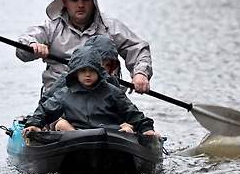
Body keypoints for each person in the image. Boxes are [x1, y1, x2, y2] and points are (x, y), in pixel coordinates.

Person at [16, 0, 152, 94]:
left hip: (104, 97)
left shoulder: (111, 27)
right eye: (74, 0)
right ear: (64, 2)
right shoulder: (50, 28)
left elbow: (138, 48)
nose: (80, 5)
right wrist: (33, 45)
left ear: (93, 1)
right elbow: (23, 48)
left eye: (85, 0)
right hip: (59, 97)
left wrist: (140, 73)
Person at [22, 48, 157, 137]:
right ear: (75, 73)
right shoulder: (64, 94)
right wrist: (34, 124)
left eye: (92, 71)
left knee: (127, 129)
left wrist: (146, 129)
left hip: (110, 136)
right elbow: (45, 110)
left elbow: (132, 113)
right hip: (77, 135)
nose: (87, 75)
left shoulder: (112, 92)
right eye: (82, 71)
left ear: (99, 71)